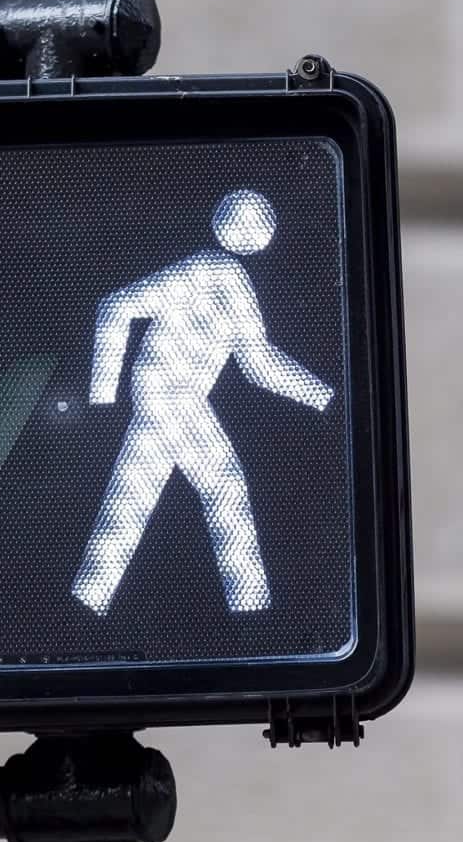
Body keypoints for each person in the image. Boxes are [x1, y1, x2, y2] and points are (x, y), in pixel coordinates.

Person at [72, 189, 333, 616]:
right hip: (169, 396)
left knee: (137, 498)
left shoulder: (226, 278)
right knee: (221, 488)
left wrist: (319, 395)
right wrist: (103, 395)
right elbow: (115, 307)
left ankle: (89, 600)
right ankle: (251, 610)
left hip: (171, 397)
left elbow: (257, 362)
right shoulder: (205, 274)